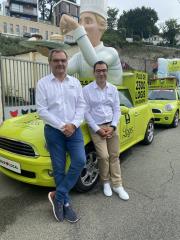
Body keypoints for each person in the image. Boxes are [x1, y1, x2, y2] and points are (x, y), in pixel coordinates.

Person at [36, 49, 86, 223]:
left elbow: (81, 106)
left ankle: (57, 195)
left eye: (63, 60)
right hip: (54, 131)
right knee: (59, 168)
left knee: (80, 160)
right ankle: (65, 204)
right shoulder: (42, 84)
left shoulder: (75, 82)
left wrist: (73, 124)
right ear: (50, 63)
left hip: (74, 129)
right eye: (56, 60)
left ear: (67, 62)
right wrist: (62, 126)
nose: (60, 63)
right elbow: (42, 110)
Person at [83, 61, 129, 200]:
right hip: (96, 127)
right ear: (94, 72)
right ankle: (106, 182)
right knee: (103, 156)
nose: (101, 73)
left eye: (104, 70)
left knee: (115, 155)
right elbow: (86, 112)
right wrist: (97, 129)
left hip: (112, 125)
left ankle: (117, 184)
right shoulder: (86, 90)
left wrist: (113, 126)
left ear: (107, 72)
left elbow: (116, 109)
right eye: (98, 70)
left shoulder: (113, 89)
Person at [60, 0, 123, 85]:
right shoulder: (79, 57)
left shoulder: (111, 52)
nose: (82, 26)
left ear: (102, 25)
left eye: (88, 21)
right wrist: (51, 55)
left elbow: (96, 64)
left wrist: (76, 27)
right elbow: (61, 72)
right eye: (80, 22)